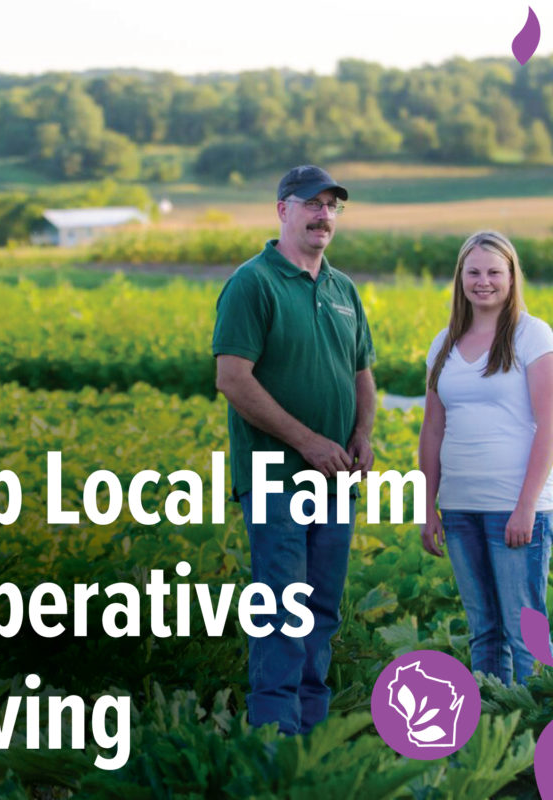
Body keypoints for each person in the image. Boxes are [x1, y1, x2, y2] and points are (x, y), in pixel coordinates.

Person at [212, 165, 376, 734]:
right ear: (283, 209)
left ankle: (310, 737)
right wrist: (307, 441)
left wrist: (362, 435)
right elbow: (233, 379)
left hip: (334, 481)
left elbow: (361, 373)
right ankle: (273, 741)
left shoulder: (342, 288)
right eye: (312, 203)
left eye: (332, 205)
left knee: (322, 610)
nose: (323, 215)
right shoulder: (252, 283)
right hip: (275, 480)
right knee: (284, 610)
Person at [419, 230, 553, 685]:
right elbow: (433, 429)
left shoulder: (532, 335)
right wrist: (428, 508)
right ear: (460, 277)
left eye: (494, 272)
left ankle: (538, 737)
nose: (484, 282)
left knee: (526, 636)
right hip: (461, 508)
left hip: (515, 509)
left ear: (511, 277)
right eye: (474, 272)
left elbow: (549, 426)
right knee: (484, 633)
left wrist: (525, 507)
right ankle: (494, 730)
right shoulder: (444, 342)